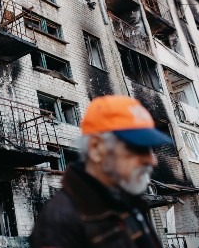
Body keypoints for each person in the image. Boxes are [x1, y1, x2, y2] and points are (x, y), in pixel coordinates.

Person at [30, 95, 172, 248]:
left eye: (151, 150)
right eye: (138, 148)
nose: (152, 160)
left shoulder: (125, 202)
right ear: (96, 149)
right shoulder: (60, 222)